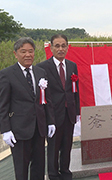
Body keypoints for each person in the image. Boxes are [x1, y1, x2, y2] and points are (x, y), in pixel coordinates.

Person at [0, 37, 55, 180]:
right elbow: (3, 105)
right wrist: (5, 130)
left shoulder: (40, 72)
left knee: (38, 166)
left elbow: (46, 100)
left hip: (39, 128)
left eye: (31, 51)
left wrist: (50, 121)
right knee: (21, 168)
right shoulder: (7, 74)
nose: (27, 55)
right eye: (23, 51)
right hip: (19, 130)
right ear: (15, 54)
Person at [37, 34, 80, 180]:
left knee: (67, 145)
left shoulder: (72, 65)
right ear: (51, 47)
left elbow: (75, 90)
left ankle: (65, 171)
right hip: (53, 115)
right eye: (57, 46)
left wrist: (77, 111)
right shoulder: (42, 68)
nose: (60, 49)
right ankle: (53, 175)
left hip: (69, 113)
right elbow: (41, 96)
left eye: (63, 46)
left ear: (67, 47)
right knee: (53, 147)